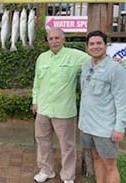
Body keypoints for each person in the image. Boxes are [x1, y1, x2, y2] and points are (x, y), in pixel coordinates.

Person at [32, 27, 89, 183]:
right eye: (51, 39)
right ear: (48, 41)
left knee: (68, 146)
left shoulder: (76, 56)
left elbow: (95, 60)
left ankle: (68, 176)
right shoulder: (42, 58)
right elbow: (37, 82)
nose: (54, 41)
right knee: (42, 142)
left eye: (57, 38)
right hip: (43, 109)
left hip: (64, 111)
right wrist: (35, 101)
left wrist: (115, 62)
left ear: (63, 40)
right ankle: (46, 170)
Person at [78, 30, 126, 183]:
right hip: (87, 125)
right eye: (92, 44)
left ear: (106, 46)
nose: (95, 46)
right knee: (96, 158)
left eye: (99, 43)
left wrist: (119, 127)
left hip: (105, 128)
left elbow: (122, 100)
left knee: (110, 165)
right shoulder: (86, 66)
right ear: (87, 47)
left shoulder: (115, 69)